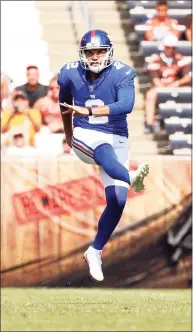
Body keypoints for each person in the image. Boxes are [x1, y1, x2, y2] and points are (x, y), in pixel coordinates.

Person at [57, 29, 149, 282]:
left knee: (118, 201)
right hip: (85, 135)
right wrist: (68, 135)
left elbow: (126, 105)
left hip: (116, 134)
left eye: (99, 51)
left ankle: (94, 251)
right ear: (82, 54)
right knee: (104, 152)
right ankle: (131, 177)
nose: (95, 56)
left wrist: (87, 110)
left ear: (109, 51)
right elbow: (64, 106)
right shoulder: (69, 73)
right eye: (90, 52)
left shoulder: (123, 73)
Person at [144, 34, 192, 133]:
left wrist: (178, 83)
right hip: (160, 86)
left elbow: (187, 77)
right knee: (150, 95)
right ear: (164, 47)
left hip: (176, 86)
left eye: (172, 47)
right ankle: (149, 123)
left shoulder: (181, 59)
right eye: (168, 47)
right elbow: (155, 79)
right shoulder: (155, 59)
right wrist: (162, 87)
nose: (170, 50)